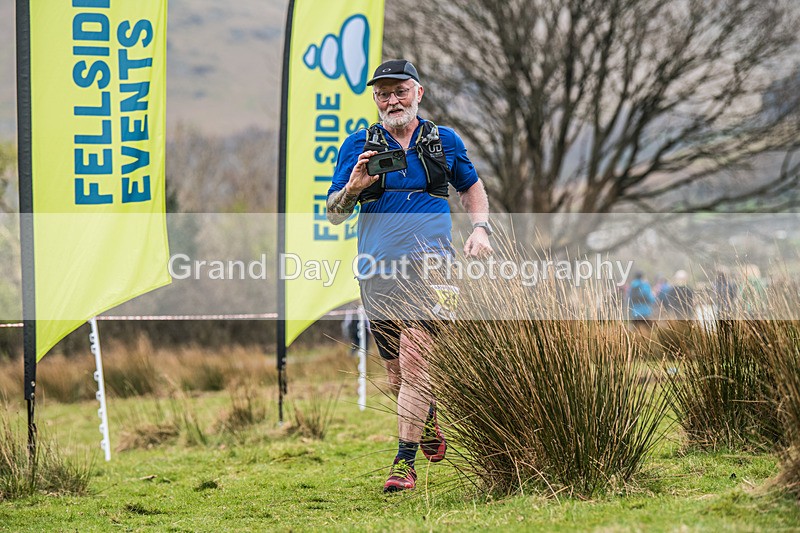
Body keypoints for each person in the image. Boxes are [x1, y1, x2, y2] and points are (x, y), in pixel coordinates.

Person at [326, 59, 493, 492]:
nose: (392, 100)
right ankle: (428, 416)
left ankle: (403, 464)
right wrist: (355, 188)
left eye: (400, 90)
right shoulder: (357, 145)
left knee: (418, 360)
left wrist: (480, 228)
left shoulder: (445, 142)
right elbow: (334, 215)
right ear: (376, 100)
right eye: (383, 93)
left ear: (419, 93)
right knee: (397, 373)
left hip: (435, 267)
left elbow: (471, 187)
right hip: (377, 269)